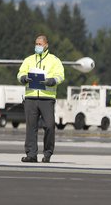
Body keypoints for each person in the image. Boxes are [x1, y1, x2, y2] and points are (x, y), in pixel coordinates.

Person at [17, 35, 64, 163]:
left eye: (40, 44)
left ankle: (47, 153)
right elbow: (20, 73)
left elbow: (60, 76)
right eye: (36, 43)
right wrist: (24, 78)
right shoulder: (28, 60)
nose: (37, 46)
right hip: (31, 97)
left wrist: (51, 81)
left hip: (46, 98)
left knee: (49, 126)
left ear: (46, 45)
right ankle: (31, 154)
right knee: (31, 127)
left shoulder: (54, 60)